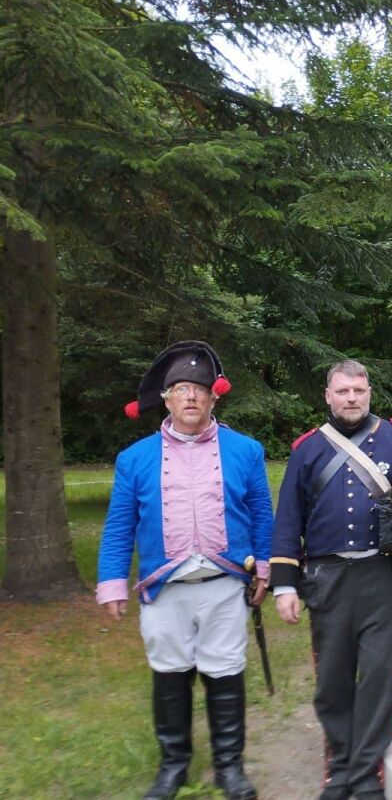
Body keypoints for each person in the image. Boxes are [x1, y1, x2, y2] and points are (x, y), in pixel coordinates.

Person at [270, 359, 392, 800]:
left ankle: (366, 776)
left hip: (384, 576)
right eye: (342, 391)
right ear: (328, 396)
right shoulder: (307, 449)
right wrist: (284, 584)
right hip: (327, 578)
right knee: (332, 681)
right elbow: (288, 520)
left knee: (379, 677)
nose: (351, 398)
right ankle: (339, 772)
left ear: (369, 392)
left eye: (358, 390)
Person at [97, 341, 272, 800]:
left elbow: (260, 513)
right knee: (170, 674)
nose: (190, 397)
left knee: (225, 673)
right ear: (167, 398)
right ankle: (172, 767)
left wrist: (267, 566)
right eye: (181, 389)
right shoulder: (133, 459)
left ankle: (230, 768)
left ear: (213, 397)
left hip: (223, 584)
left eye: (198, 389)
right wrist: (111, 582)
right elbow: (119, 526)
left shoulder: (246, 450)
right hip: (164, 588)